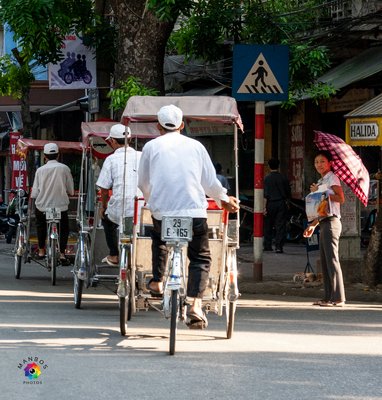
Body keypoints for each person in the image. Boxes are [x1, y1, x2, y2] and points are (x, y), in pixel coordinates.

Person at [138, 104, 240, 328]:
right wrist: (224, 198)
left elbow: (143, 183)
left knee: (160, 240)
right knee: (200, 257)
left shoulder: (151, 147)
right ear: (182, 125)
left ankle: (157, 280)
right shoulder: (196, 146)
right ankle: (194, 303)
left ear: (158, 126)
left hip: (161, 212)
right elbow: (210, 183)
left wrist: (152, 201)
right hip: (194, 213)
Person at [303, 150, 346, 307]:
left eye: (322, 161)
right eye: (316, 162)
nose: (319, 164)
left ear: (330, 163)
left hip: (332, 222)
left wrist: (322, 191)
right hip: (323, 222)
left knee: (332, 260)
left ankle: (338, 298)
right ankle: (328, 297)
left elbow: (340, 198)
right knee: (326, 261)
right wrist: (312, 225)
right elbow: (321, 207)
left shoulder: (332, 178)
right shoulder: (322, 180)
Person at [96, 123, 142, 266]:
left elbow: (104, 188)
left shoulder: (111, 159)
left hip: (118, 210)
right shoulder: (142, 156)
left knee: (107, 220)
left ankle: (114, 254)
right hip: (140, 207)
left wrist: (103, 207)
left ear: (113, 141)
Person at [31, 142, 74, 265]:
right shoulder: (65, 168)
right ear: (58, 155)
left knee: (40, 225)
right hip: (60, 207)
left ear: (45, 156)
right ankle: (61, 253)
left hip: (42, 207)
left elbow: (34, 194)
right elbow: (71, 190)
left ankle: (41, 250)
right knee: (64, 228)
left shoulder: (40, 170)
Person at [263, 158, 291, 253]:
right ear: (278, 166)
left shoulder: (266, 178)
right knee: (280, 225)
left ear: (269, 166)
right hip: (281, 203)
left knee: (268, 225)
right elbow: (288, 193)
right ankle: (279, 247)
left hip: (270, 203)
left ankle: (267, 245)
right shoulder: (283, 178)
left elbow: (265, 195)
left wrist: (264, 207)